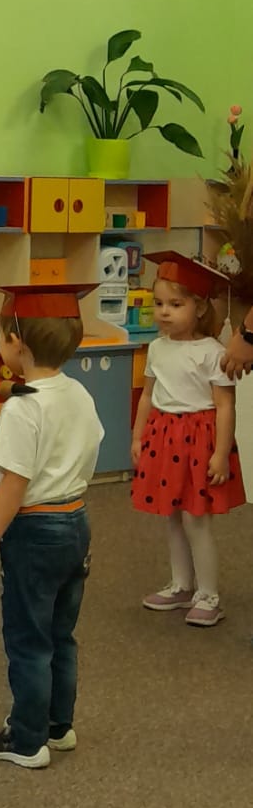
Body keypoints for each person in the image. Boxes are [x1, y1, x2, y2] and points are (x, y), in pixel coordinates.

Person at [0, 285, 102, 770]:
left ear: (15, 343)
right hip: (76, 520)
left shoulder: (23, 406)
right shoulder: (79, 392)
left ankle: (26, 740)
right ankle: (58, 726)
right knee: (61, 634)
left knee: (28, 638)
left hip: (34, 530)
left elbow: (15, 481)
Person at [131, 251, 245, 628]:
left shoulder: (212, 352)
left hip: (199, 442)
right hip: (164, 438)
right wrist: (138, 437)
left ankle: (208, 594)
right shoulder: (157, 348)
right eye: (159, 303)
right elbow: (148, 396)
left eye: (175, 304)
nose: (164, 312)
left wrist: (221, 453)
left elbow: (224, 406)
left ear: (199, 308)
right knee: (173, 517)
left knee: (197, 520)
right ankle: (181, 585)